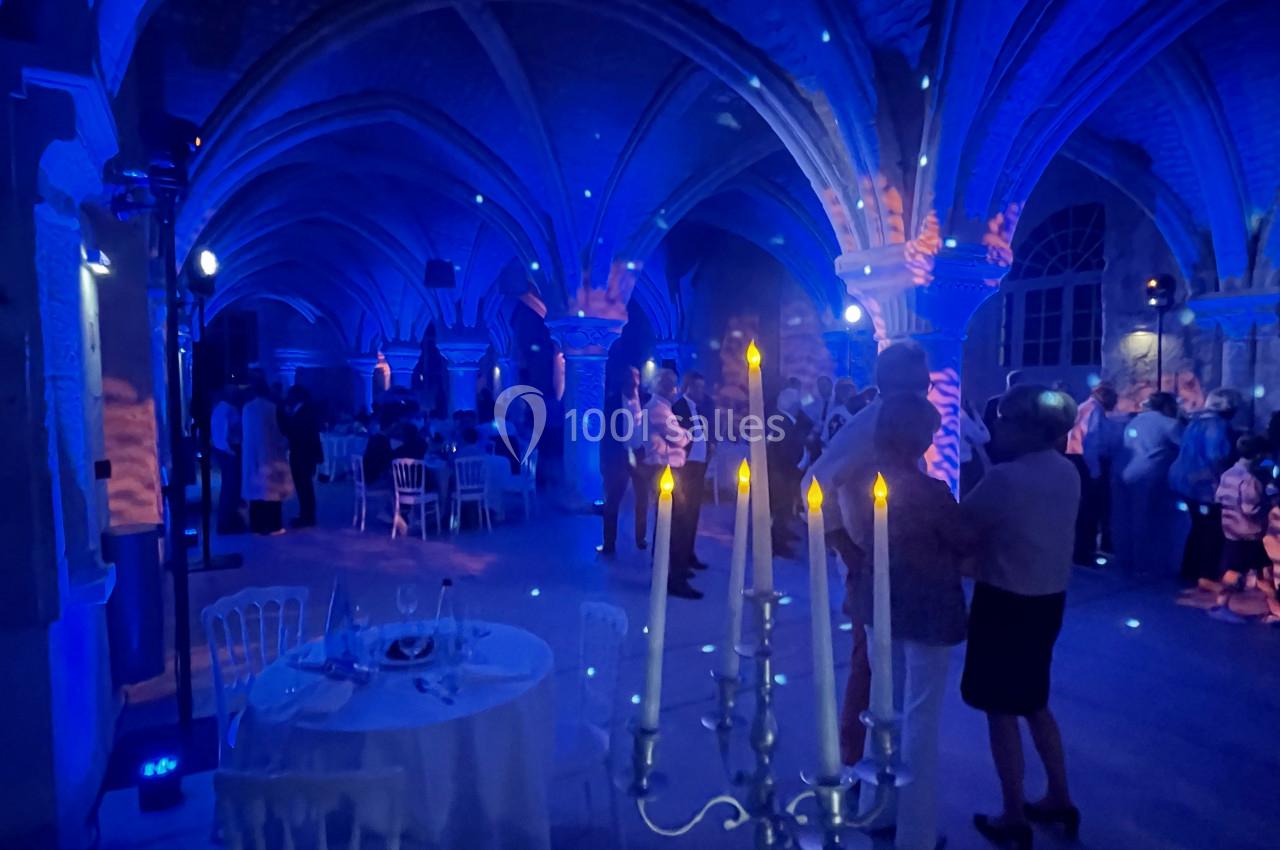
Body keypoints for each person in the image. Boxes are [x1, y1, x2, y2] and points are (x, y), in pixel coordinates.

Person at [847, 393, 972, 850]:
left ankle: (876, 812)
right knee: (920, 718)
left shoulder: (862, 482)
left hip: (881, 604)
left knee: (884, 707)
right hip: (927, 610)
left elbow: (858, 535)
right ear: (917, 437)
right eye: (930, 432)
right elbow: (964, 537)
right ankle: (915, 834)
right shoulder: (929, 491)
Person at [961, 384, 1081, 849]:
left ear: (1029, 427)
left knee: (1000, 710)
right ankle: (1059, 796)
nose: (997, 426)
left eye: (1006, 419)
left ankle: (1013, 814)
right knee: (1034, 701)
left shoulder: (1006, 479)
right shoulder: (1066, 472)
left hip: (1005, 601)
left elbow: (959, 525)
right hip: (1048, 601)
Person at [806, 342, 930, 765]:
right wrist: (846, 545)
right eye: (921, 381)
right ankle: (854, 756)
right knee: (870, 659)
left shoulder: (899, 421)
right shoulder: (871, 425)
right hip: (871, 557)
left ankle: (870, 755)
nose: (928, 387)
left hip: (902, 562)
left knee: (883, 661)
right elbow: (814, 483)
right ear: (895, 384)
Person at [1169, 388, 1241, 584]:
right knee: (1211, 531)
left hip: (1186, 482)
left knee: (1198, 528)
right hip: (1204, 485)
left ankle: (1189, 570)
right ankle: (1205, 574)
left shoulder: (1196, 422)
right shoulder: (1218, 425)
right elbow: (1216, 457)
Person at [643, 369, 698, 599]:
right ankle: (673, 577)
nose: (674, 389)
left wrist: (684, 434)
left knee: (668, 520)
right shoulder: (658, 409)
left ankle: (668, 569)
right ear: (661, 386)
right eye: (670, 384)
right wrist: (686, 435)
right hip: (665, 469)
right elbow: (679, 437)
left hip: (668, 468)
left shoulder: (662, 408)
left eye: (674, 384)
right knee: (675, 522)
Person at [1117, 392, 1185, 576]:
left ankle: (1126, 559)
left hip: (1127, 472)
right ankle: (1144, 564)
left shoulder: (1136, 421)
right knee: (1148, 519)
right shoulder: (1170, 424)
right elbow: (1185, 446)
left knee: (1129, 517)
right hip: (1151, 475)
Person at [1212, 436, 1274, 612]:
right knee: (1248, 571)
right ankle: (1221, 607)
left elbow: (1219, 498)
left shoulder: (1227, 474)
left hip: (1231, 529)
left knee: (1247, 569)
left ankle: (1222, 607)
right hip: (1248, 532)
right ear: (1258, 455)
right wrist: (1268, 503)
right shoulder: (1250, 481)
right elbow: (1250, 509)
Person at [599, 367, 648, 556]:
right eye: (629, 377)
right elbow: (605, 434)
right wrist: (604, 461)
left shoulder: (645, 399)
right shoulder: (612, 402)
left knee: (643, 498)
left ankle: (640, 538)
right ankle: (609, 544)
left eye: (636, 377)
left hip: (640, 454)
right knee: (613, 500)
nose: (633, 381)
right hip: (619, 456)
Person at [1072, 383, 1119, 562]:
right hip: (1087, 464)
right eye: (1113, 398)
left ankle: (1083, 550)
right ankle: (1084, 552)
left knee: (1084, 510)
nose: (1115, 403)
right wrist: (1095, 472)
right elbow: (1091, 442)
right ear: (1103, 395)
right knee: (1089, 511)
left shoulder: (1084, 408)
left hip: (1080, 461)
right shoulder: (1094, 410)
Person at [241, 377, 293, 535]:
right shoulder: (273, 408)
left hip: (252, 455)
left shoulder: (247, 408)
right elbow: (284, 431)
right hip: (271, 454)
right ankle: (273, 526)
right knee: (272, 491)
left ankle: (256, 525)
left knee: (256, 491)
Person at [672, 370, 712, 570]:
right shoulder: (678, 407)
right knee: (682, 515)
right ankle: (678, 558)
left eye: (703, 387)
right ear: (688, 387)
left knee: (694, 513)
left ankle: (689, 553)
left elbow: (705, 432)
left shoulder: (700, 407)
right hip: (684, 467)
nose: (701, 391)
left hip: (698, 466)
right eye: (698, 387)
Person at [767, 387, 811, 558]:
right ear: (793, 405)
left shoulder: (783, 420)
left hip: (782, 471)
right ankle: (778, 543)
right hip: (782, 473)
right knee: (781, 506)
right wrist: (798, 465)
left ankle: (782, 533)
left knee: (784, 506)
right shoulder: (783, 422)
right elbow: (785, 451)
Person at [280, 385, 324, 528]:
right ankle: (306, 515)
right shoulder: (304, 411)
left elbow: (299, 434)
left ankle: (307, 517)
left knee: (304, 486)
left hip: (303, 455)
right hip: (304, 454)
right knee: (304, 486)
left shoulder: (304, 413)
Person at [210, 388, 246, 534]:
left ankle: (230, 519)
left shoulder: (221, 408)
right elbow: (222, 433)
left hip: (226, 450)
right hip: (229, 451)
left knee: (231, 487)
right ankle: (225, 523)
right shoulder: (226, 409)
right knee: (230, 487)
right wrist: (230, 450)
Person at [984, 370, 1025, 464]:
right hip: (1000, 450)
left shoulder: (1028, 404)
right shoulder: (994, 403)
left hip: (1021, 451)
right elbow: (988, 428)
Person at [959, 396, 991, 496]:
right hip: (965, 465)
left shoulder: (934, 410)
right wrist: (973, 412)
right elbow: (983, 437)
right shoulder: (960, 415)